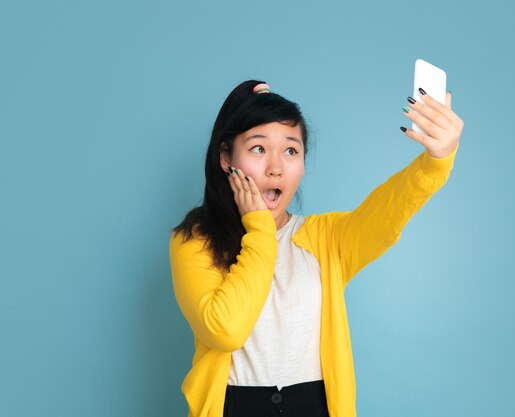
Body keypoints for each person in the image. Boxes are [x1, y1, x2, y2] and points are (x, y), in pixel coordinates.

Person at [169, 79, 464, 417]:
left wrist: (435, 161)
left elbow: (390, 208)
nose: (276, 167)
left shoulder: (327, 239)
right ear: (225, 157)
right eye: (258, 149)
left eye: (291, 150)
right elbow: (226, 330)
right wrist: (260, 228)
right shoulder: (195, 240)